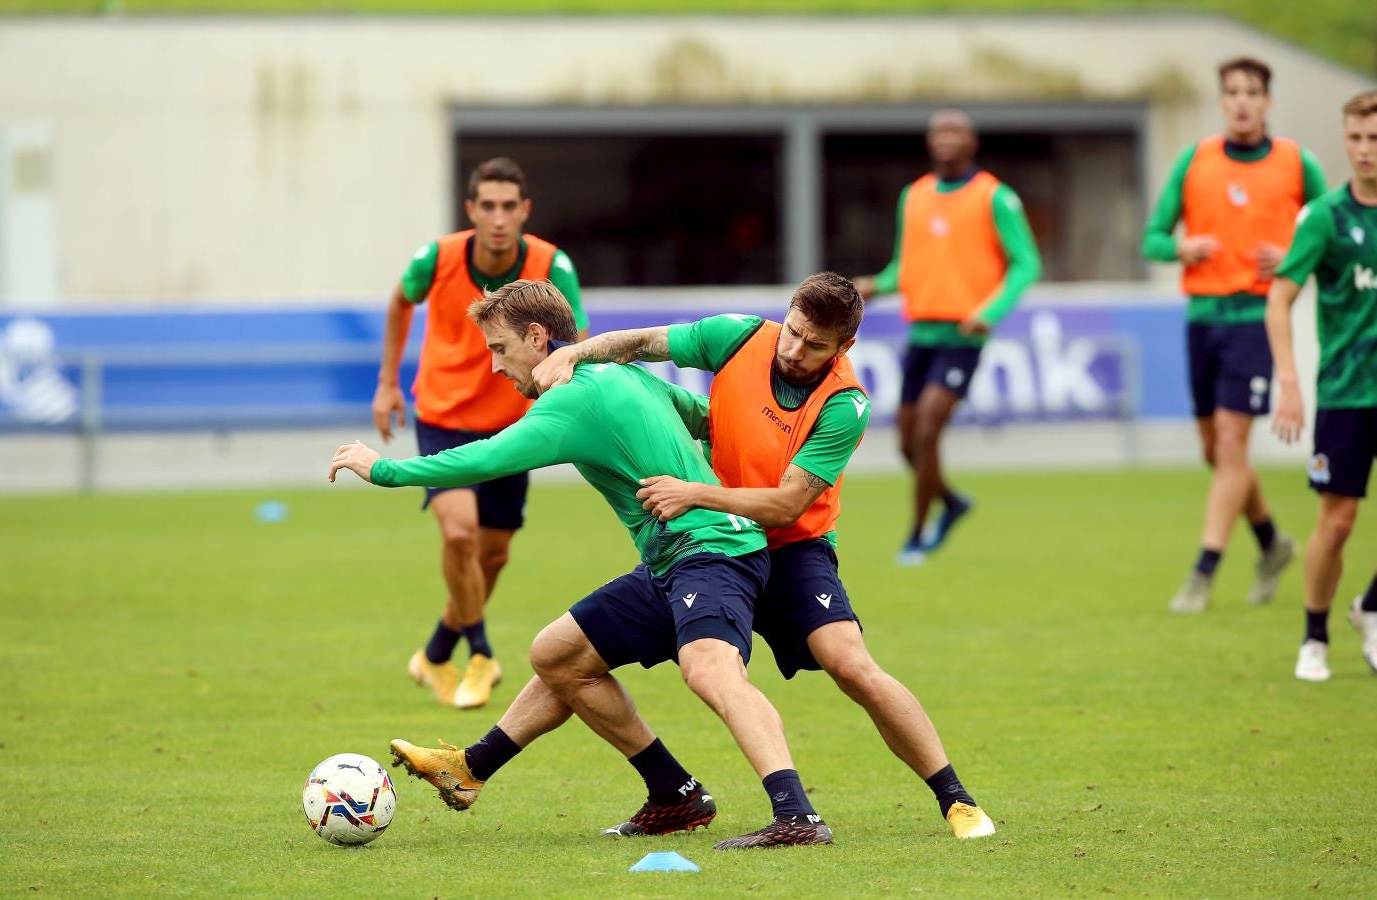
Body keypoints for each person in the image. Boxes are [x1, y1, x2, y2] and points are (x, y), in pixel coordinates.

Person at [335, 279, 834, 849]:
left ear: (536, 336)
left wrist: (385, 470)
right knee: (560, 655)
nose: (496, 367)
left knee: (712, 672)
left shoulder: (570, 399)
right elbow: (707, 415)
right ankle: (661, 792)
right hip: (684, 555)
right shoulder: (620, 374)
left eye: (499, 349)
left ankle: (797, 815)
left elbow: (486, 457)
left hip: (710, 553)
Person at [533, 271, 996, 839]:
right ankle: (478, 766)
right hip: (713, 548)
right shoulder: (739, 336)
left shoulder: (845, 404)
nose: (796, 351)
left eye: (816, 345)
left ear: (844, 348)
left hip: (794, 549)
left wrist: (694, 492)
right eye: (794, 333)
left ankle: (956, 799)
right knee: (570, 651)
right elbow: (639, 343)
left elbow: (785, 505)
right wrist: (573, 353)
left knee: (850, 664)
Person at [371, 158, 589, 709]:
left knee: (491, 557)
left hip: (513, 425)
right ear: (471, 211)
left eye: (508, 206)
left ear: (524, 211)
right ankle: (482, 653)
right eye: (486, 206)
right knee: (460, 535)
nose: (498, 217)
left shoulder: (550, 264)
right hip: (442, 414)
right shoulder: (437, 258)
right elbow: (400, 301)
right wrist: (387, 384)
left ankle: (436, 652)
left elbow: (577, 343)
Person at [1265, 89, 1377, 682]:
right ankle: (1314, 637)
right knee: (1336, 524)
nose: (1363, 149)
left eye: (1375, 138)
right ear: (1345, 140)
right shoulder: (1325, 218)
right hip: (1343, 393)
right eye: (1354, 138)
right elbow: (1280, 296)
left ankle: (1371, 607)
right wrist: (1288, 380)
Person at [1143, 57, 1329, 614]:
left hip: (1255, 320)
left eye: (1252, 92)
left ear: (1267, 101)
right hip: (1202, 321)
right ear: (1222, 101)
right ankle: (1272, 543)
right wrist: (1180, 247)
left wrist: (1298, 255)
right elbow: (1151, 238)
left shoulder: (1298, 164)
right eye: (1232, 92)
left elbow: (1337, 232)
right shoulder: (1194, 161)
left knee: (1231, 447)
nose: (1242, 101)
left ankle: (1203, 571)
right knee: (1216, 452)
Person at [854, 108, 1041, 566]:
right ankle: (952, 502)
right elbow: (908, 267)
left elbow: (1027, 264)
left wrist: (989, 311)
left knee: (928, 428)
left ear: (972, 141)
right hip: (921, 332)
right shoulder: (914, 196)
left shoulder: (995, 197)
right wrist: (878, 283)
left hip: (964, 334)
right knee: (905, 441)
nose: (945, 137)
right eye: (938, 130)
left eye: (955, 130)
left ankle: (917, 535)